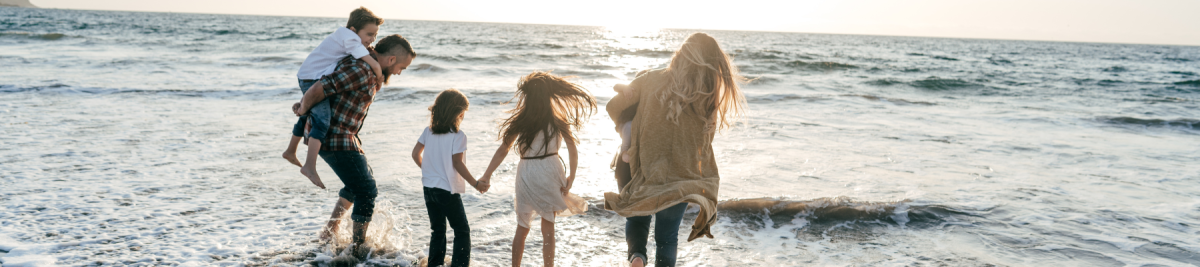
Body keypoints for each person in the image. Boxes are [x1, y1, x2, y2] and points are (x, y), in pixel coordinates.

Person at [604, 32, 746, 267]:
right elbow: (704, 143)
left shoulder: (649, 79)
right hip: (679, 179)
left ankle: (637, 257)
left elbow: (613, 106)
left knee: (637, 217)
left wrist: (630, 125)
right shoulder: (706, 98)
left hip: (637, 168)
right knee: (667, 239)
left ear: (680, 55)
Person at [291, 34, 417, 256]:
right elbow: (320, 88)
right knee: (366, 190)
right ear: (391, 59)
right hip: (334, 137)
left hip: (344, 136)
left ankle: (329, 232)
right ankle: (358, 249)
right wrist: (302, 108)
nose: (399, 72)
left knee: (355, 184)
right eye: (401, 67)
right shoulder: (361, 70)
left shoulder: (369, 69)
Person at [479, 71, 596, 267]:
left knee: (522, 227)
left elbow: (503, 150)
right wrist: (571, 176)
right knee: (548, 229)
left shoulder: (521, 120)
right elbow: (572, 149)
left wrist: (486, 175)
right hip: (550, 169)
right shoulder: (558, 120)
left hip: (527, 171)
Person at [282, 7, 385, 189]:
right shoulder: (350, 38)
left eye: (375, 36)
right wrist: (377, 71)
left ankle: (290, 150)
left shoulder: (345, 36)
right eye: (369, 34)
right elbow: (366, 59)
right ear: (353, 30)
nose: (372, 40)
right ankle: (309, 166)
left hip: (309, 75)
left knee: (308, 114)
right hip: (311, 78)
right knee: (323, 120)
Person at [410, 89, 490, 267]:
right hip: (446, 190)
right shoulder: (458, 136)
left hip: (428, 187)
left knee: (437, 230)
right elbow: (457, 163)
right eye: (463, 113)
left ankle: (434, 264)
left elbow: (415, 154)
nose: (463, 116)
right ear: (457, 113)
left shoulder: (428, 131)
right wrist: (476, 184)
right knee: (462, 230)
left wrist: (430, 171)